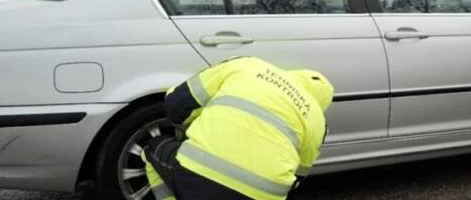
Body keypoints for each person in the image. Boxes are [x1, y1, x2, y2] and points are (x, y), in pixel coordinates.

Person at [142, 57, 334, 200]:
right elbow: (298, 176)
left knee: (152, 148)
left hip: (196, 178)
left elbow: (175, 104)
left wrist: (196, 124)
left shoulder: (250, 65)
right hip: (263, 196)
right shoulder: (317, 121)